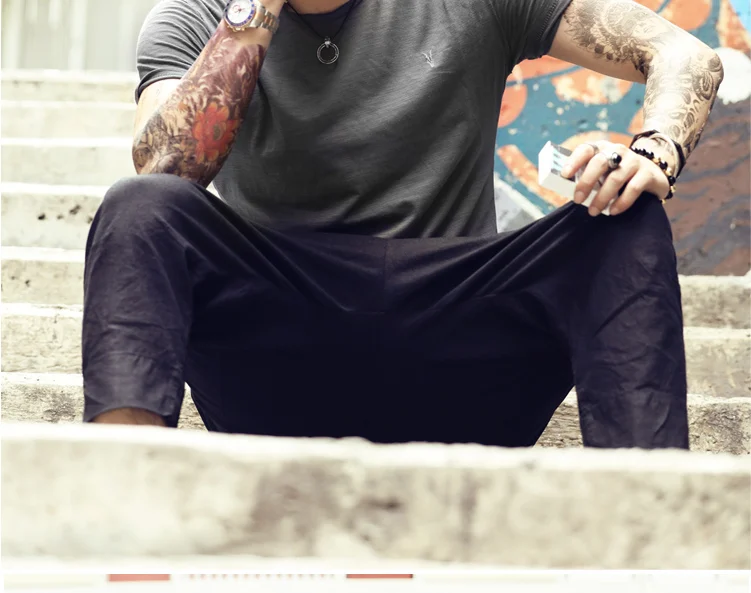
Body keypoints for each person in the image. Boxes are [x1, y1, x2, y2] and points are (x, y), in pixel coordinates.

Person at [83, 0, 723, 448]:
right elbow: (166, 169)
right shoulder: (196, 17)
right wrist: (254, 12)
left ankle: (648, 522)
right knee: (140, 206)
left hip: (462, 340)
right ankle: (124, 490)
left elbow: (684, 54)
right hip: (280, 346)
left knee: (625, 220)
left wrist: (652, 153)